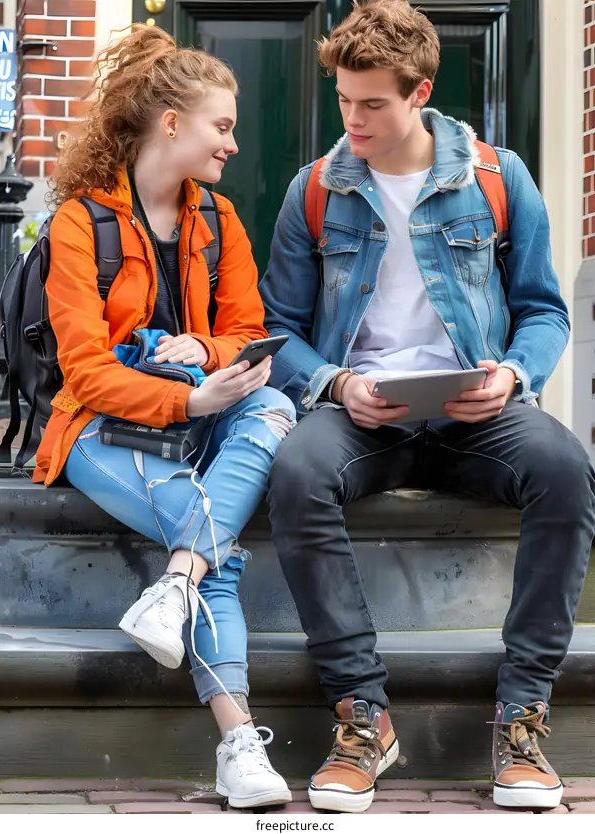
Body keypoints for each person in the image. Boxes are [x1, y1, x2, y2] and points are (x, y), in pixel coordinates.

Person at [261, 0, 595, 814]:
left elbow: (544, 310)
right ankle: (363, 717)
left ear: (420, 91)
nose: (354, 119)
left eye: (372, 102)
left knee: (566, 468)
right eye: (344, 100)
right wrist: (338, 386)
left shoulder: (495, 177)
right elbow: (276, 331)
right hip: (363, 411)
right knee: (297, 474)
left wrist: (513, 376)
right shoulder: (316, 192)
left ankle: (522, 717)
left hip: (474, 411)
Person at [35, 25, 295, 809]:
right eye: (223, 126)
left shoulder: (219, 222)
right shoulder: (81, 224)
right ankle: (237, 742)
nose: (235, 145)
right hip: (96, 430)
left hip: (202, 420)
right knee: (211, 539)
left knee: (275, 400)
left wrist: (209, 355)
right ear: (173, 124)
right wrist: (186, 396)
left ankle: (173, 585)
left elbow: (253, 340)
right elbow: (85, 371)